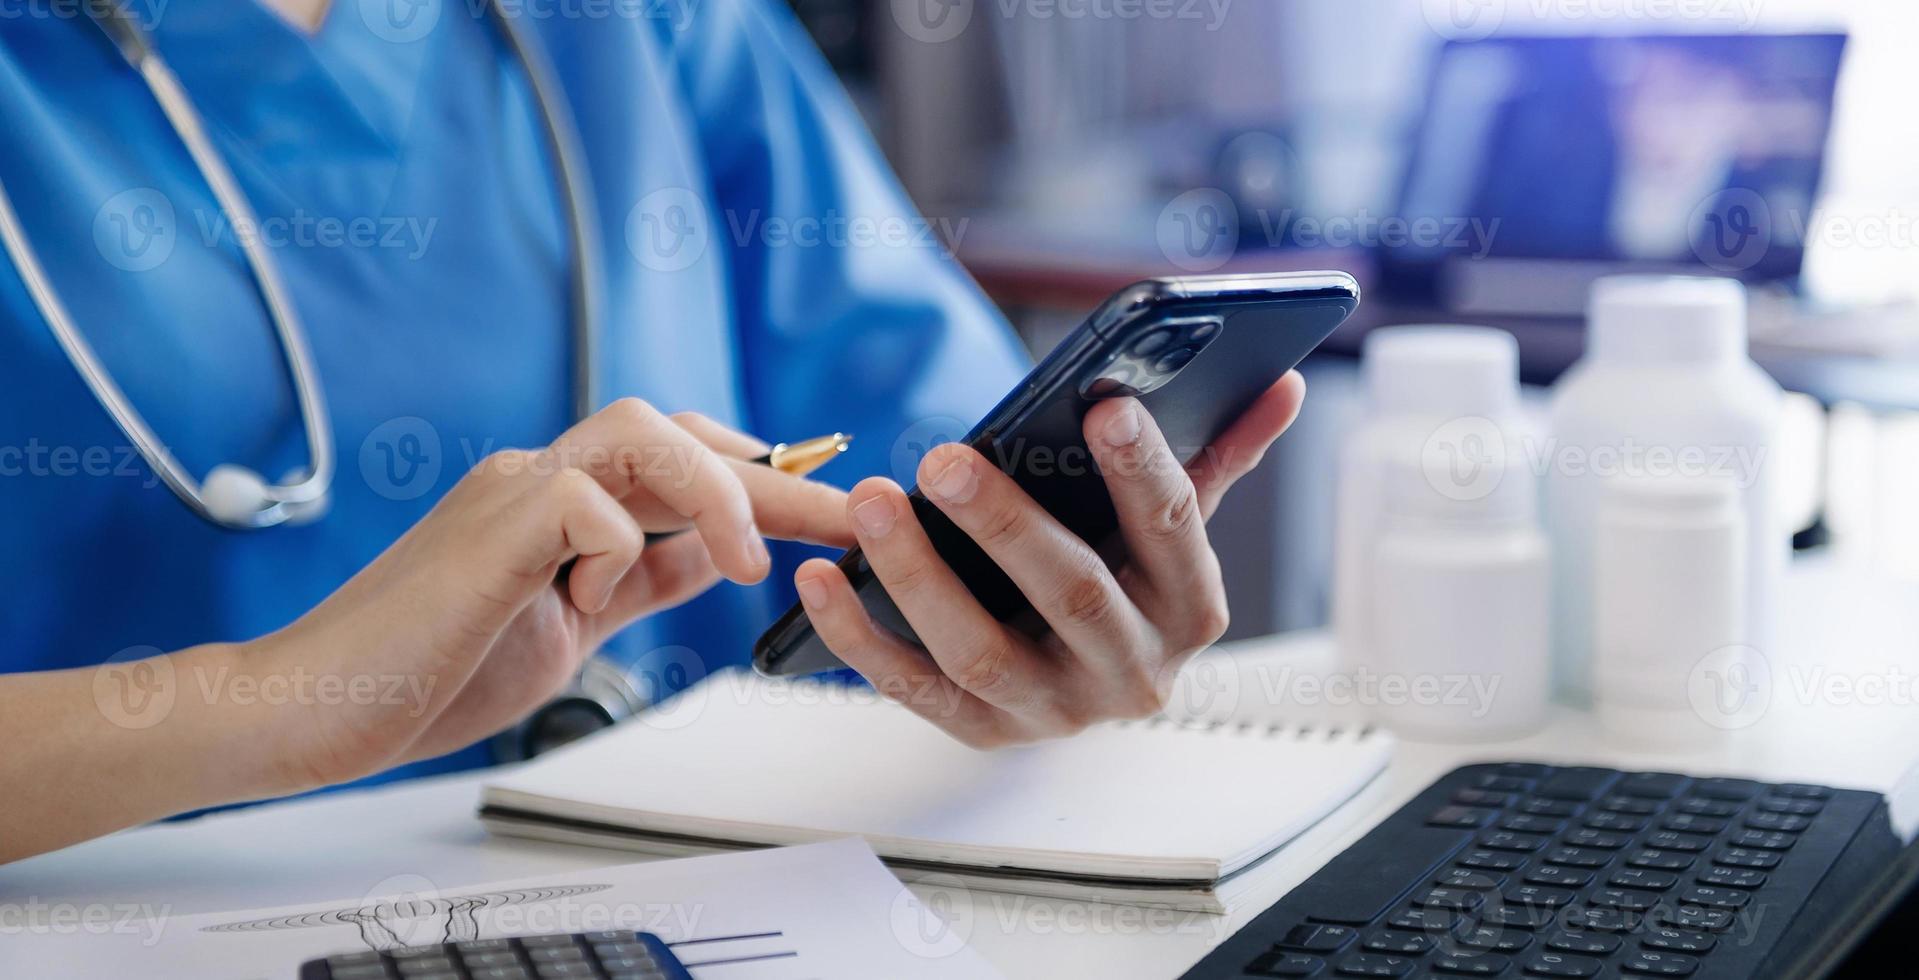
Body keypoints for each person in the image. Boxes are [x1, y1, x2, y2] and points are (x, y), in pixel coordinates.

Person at [0, 0, 1308, 862]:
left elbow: (935, 468)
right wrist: (279, 701)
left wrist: (1042, 625)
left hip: (697, 903)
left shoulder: (648, 25)